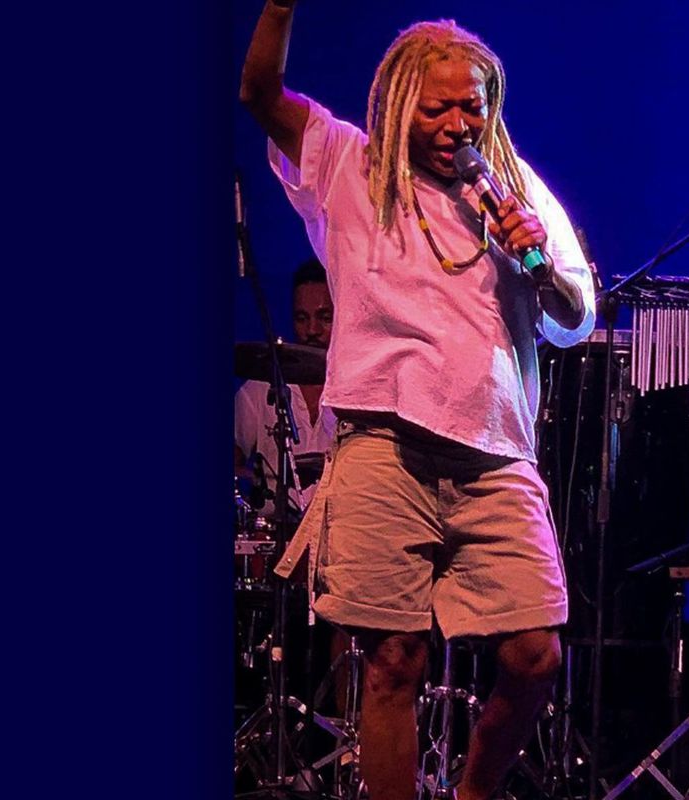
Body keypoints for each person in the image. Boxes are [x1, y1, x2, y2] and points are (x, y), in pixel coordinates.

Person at [239, 3, 596, 800]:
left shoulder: (514, 190)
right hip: (384, 445)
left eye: (472, 105)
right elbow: (260, 92)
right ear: (400, 103)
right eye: (438, 108)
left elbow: (577, 319)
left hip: (495, 451)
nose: (459, 124)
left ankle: (472, 793)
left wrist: (536, 259)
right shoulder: (348, 165)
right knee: (393, 662)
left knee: (535, 653)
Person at [234, 257, 336, 516]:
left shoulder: (359, 394)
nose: (312, 330)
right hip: (274, 530)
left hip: (340, 533)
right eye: (301, 319)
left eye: (324, 318)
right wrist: (256, 480)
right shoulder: (259, 389)